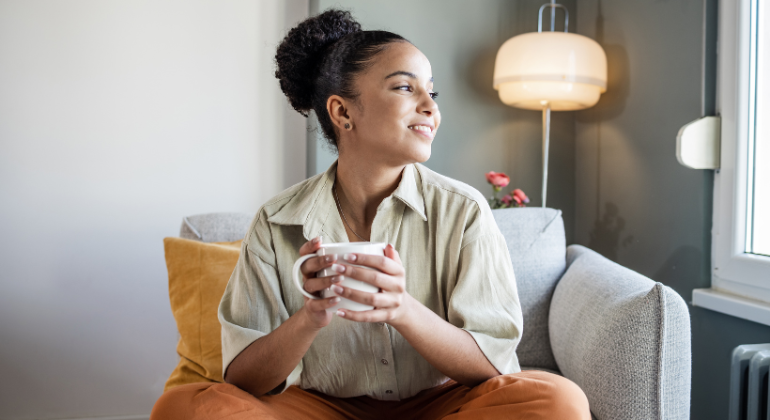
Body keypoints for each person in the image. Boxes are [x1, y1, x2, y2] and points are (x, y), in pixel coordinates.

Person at [151, 9, 590, 420]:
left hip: (442, 405)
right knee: (183, 407)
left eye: (431, 90)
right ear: (343, 112)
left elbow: (491, 367)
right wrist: (310, 318)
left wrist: (401, 309)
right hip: (320, 406)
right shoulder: (275, 221)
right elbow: (244, 380)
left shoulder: (465, 211)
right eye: (405, 87)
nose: (430, 106)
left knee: (557, 401)